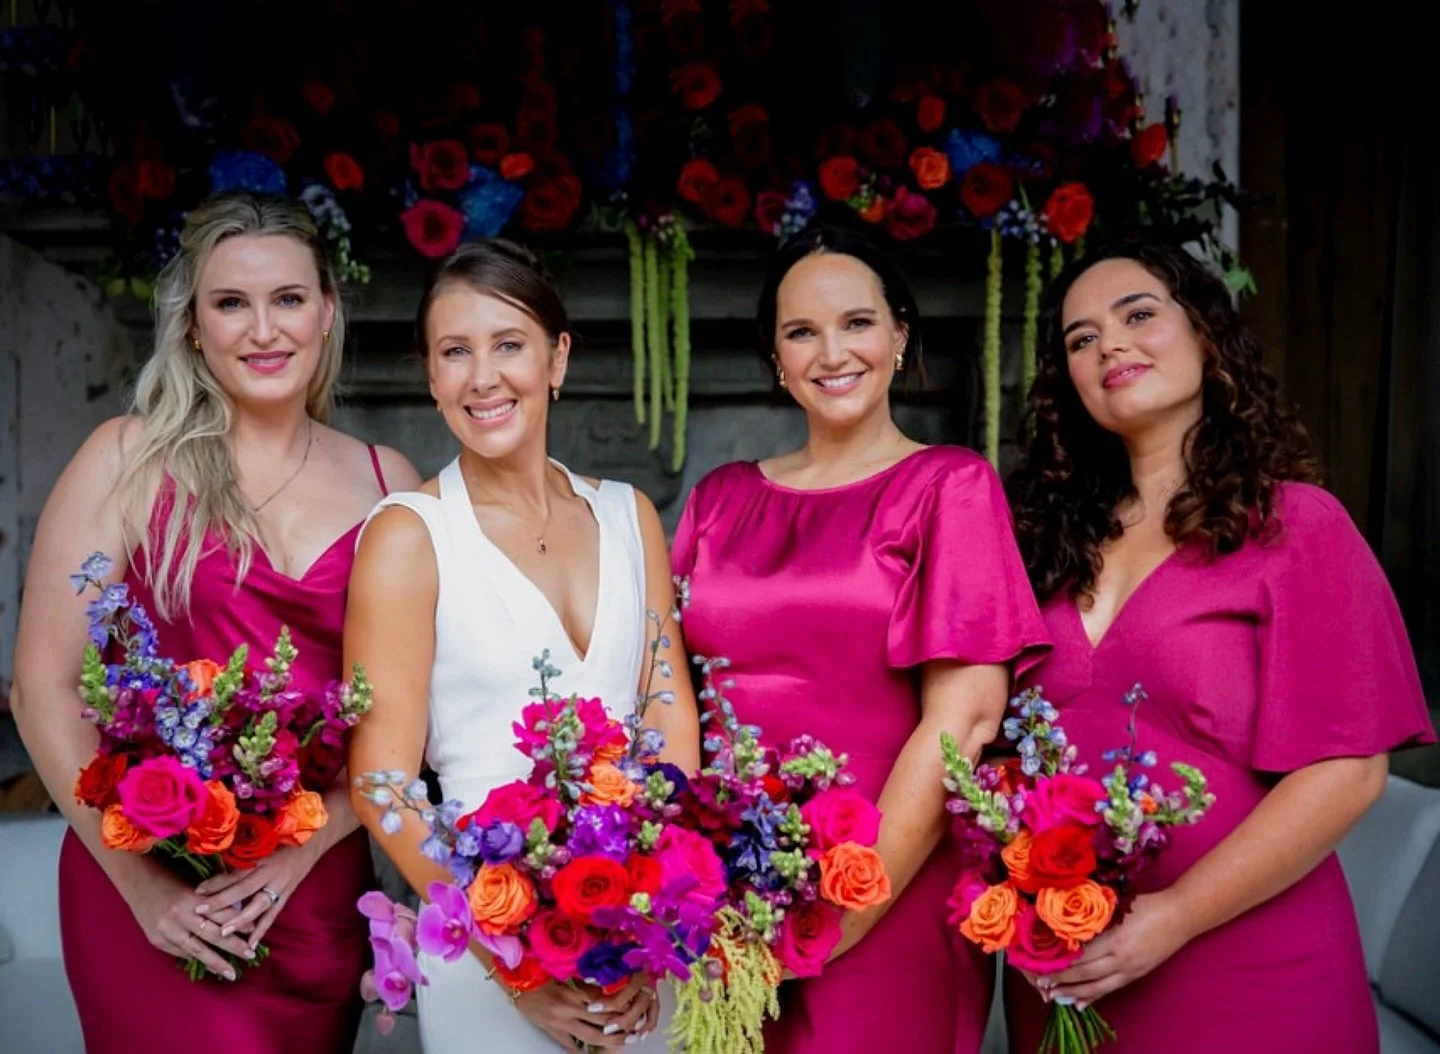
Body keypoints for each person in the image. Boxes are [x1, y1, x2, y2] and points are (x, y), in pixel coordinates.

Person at [1003, 235, 1435, 1053]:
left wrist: (1175, 916)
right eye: (1081, 339)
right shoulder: (1043, 545)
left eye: (1138, 315)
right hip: (1068, 976)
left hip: (1247, 966)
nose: (1110, 345)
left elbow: (1348, 773)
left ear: (1205, 333)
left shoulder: (1297, 526)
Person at [12, 192, 419, 1053]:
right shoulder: (127, 459)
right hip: (151, 886)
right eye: (231, 303)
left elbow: (402, 720)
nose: (263, 330)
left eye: (288, 299)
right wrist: (145, 891)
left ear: (327, 311)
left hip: (307, 891)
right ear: (194, 326)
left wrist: (303, 852)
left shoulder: (392, 482)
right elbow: (42, 689)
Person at [671, 222, 1050, 1052]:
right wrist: (693, 890)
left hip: (889, 895)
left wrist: (832, 922)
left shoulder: (948, 486)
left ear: (900, 333)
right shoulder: (721, 498)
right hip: (732, 895)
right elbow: (668, 695)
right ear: (775, 355)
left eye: (857, 323)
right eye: (801, 331)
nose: (830, 352)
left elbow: (967, 721)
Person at [345, 239, 700, 1051]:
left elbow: (671, 720)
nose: (483, 377)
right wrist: (515, 962)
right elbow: (380, 784)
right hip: (486, 948)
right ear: (432, 378)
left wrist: (654, 913)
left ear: (556, 358)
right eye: (454, 352)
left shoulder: (628, 515)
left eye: (508, 345)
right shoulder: (409, 535)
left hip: (638, 941)